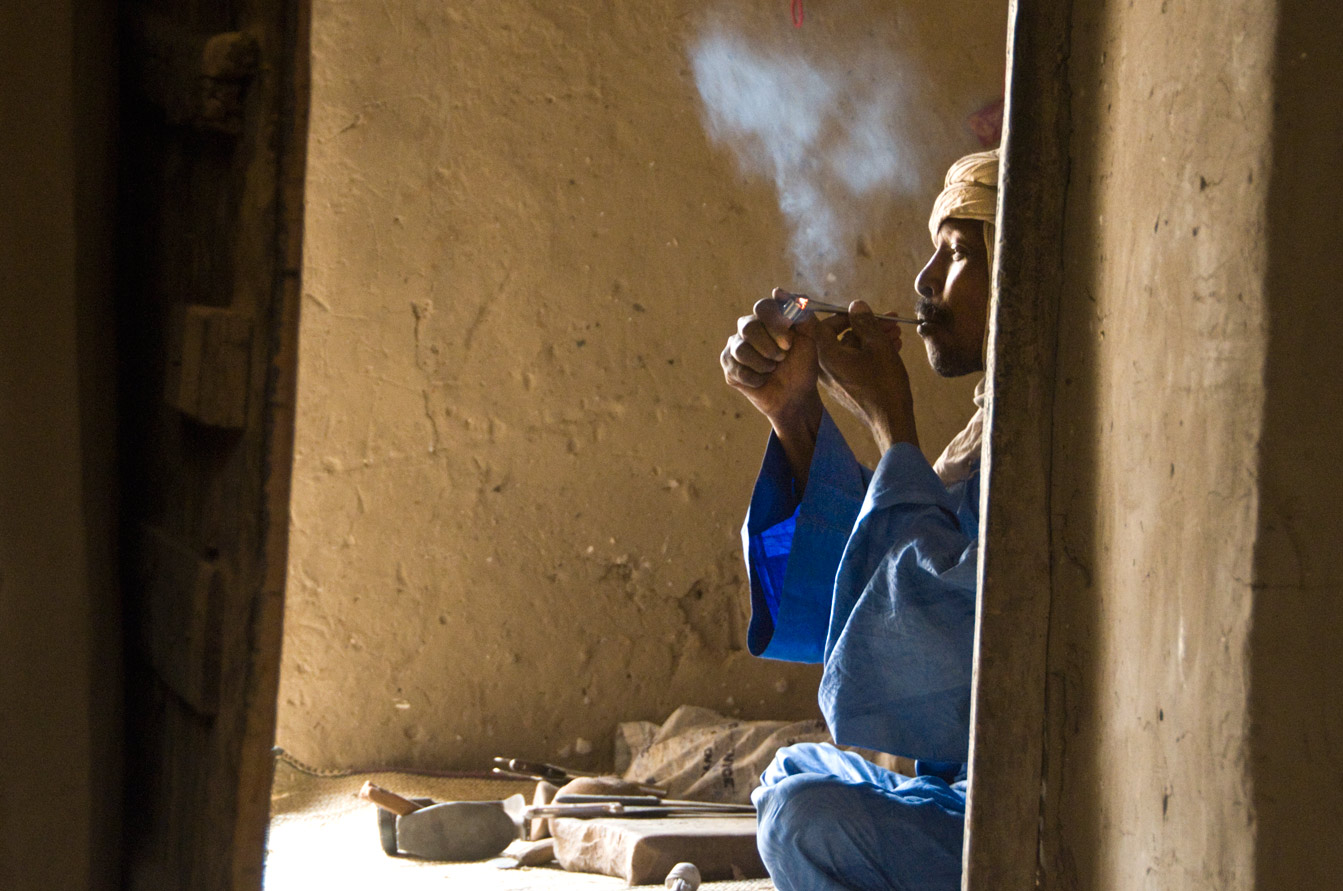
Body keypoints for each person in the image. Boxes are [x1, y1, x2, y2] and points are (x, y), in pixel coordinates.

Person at [718, 149, 1000, 891]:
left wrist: (891, 420)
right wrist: (795, 412)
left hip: (1022, 808)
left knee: (805, 818)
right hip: (963, 792)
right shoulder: (986, 433)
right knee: (791, 772)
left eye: (960, 252)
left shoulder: (1059, 446)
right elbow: (862, 610)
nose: (925, 281)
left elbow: (936, 642)